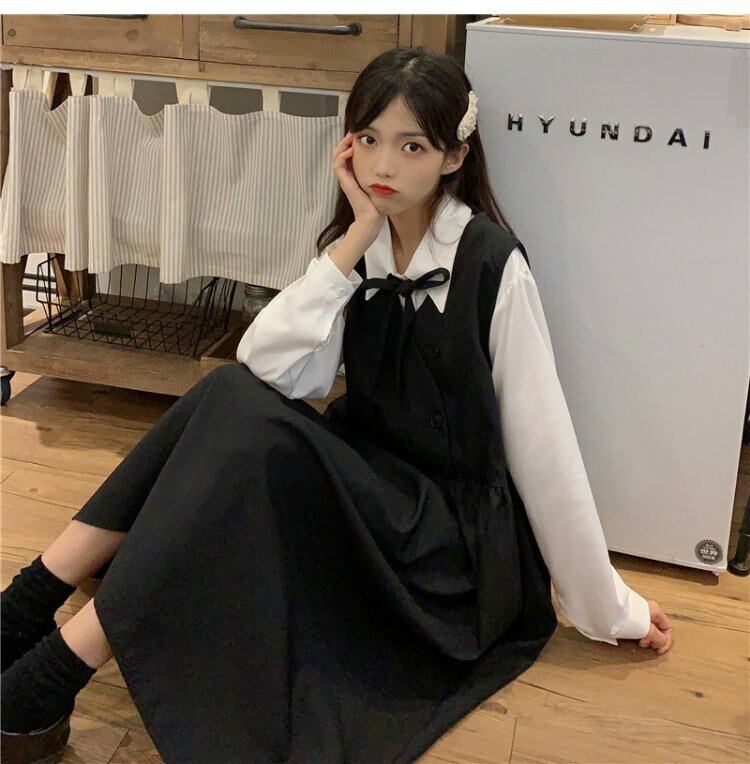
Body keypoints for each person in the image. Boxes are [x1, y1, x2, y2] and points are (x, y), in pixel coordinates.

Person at [0, 46, 673, 764]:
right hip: (370, 490)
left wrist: (610, 607)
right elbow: (269, 368)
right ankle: (27, 605)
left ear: (453, 157)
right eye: (370, 140)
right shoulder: (360, 247)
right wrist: (353, 240)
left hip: (441, 539)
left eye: (412, 146)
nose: (385, 166)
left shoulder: (491, 264)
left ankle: (48, 671)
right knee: (230, 394)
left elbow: (545, 452)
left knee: (232, 444)